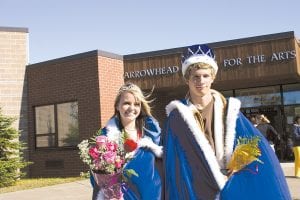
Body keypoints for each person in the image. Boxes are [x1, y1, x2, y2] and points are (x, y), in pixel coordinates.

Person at [162, 44, 291, 199]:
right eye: (195, 76)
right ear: (187, 79)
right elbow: (172, 163)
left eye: (205, 76)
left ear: (213, 77)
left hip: (229, 188)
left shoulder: (229, 111)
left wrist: (237, 168)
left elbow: (256, 148)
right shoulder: (177, 118)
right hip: (194, 190)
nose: (200, 81)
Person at [92, 82, 163, 200]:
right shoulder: (105, 138)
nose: (132, 108)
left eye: (136, 104)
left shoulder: (152, 134)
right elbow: (96, 177)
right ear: (117, 106)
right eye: (126, 103)